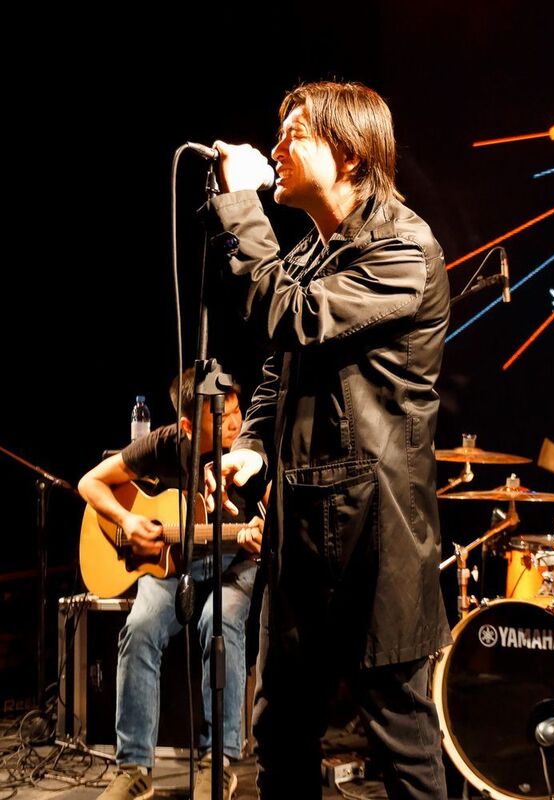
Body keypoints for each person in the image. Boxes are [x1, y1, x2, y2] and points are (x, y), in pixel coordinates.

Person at [207, 81, 450, 799]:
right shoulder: (315, 251)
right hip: (300, 536)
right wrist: (252, 443)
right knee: (281, 738)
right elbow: (279, 368)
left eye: (295, 135)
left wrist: (241, 203)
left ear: (349, 154)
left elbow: (290, 316)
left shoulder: (404, 249)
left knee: (403, 747)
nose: (276, 149)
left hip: (376, 539)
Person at [80, 368, 262, 800]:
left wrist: (262, 533)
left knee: (220, 623)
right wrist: (127, 520)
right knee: (139, 628)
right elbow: (90, 482)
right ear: (187, 425)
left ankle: (216, 762)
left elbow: (274, 505)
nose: (234, 422)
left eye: (236, 411)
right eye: (223, 416)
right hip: (170, 570)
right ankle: (133, 768)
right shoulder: (163, 443)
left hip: (234, 564)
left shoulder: (250, 446)